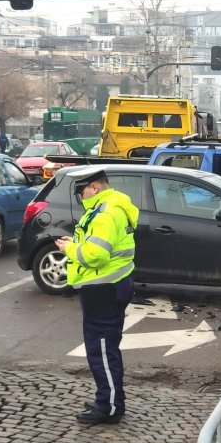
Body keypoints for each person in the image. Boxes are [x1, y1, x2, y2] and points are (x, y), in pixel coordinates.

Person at [54, 168, 139, 425]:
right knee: (107, 348)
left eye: (82, 191)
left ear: (95, 187)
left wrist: (70, 248)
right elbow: (101, 245)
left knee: (101, 350)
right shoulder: (112, 206)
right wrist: (77, 242)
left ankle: (110, 406)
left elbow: (97, 254)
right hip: (114, 283)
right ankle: (109, 398)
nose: (80, 197)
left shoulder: (105, 213)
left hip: (102, 287)